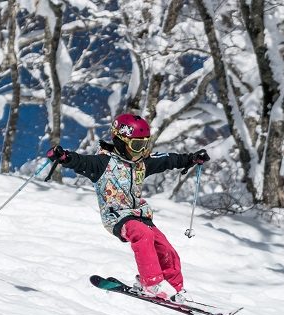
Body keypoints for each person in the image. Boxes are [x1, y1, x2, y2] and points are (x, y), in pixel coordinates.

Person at [46, 113, 209, 303]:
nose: (140, 151)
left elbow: (168, 160)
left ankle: (178, 289)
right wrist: (64, 157)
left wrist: (191, 159)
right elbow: (81, 161)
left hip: (139, 214)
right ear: (120, 141)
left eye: (144, 145)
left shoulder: (141, 163)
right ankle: (150, 283)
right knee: (143, 235)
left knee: (165, 248)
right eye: (136, 145)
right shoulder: (102, 163)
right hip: (116, 217)